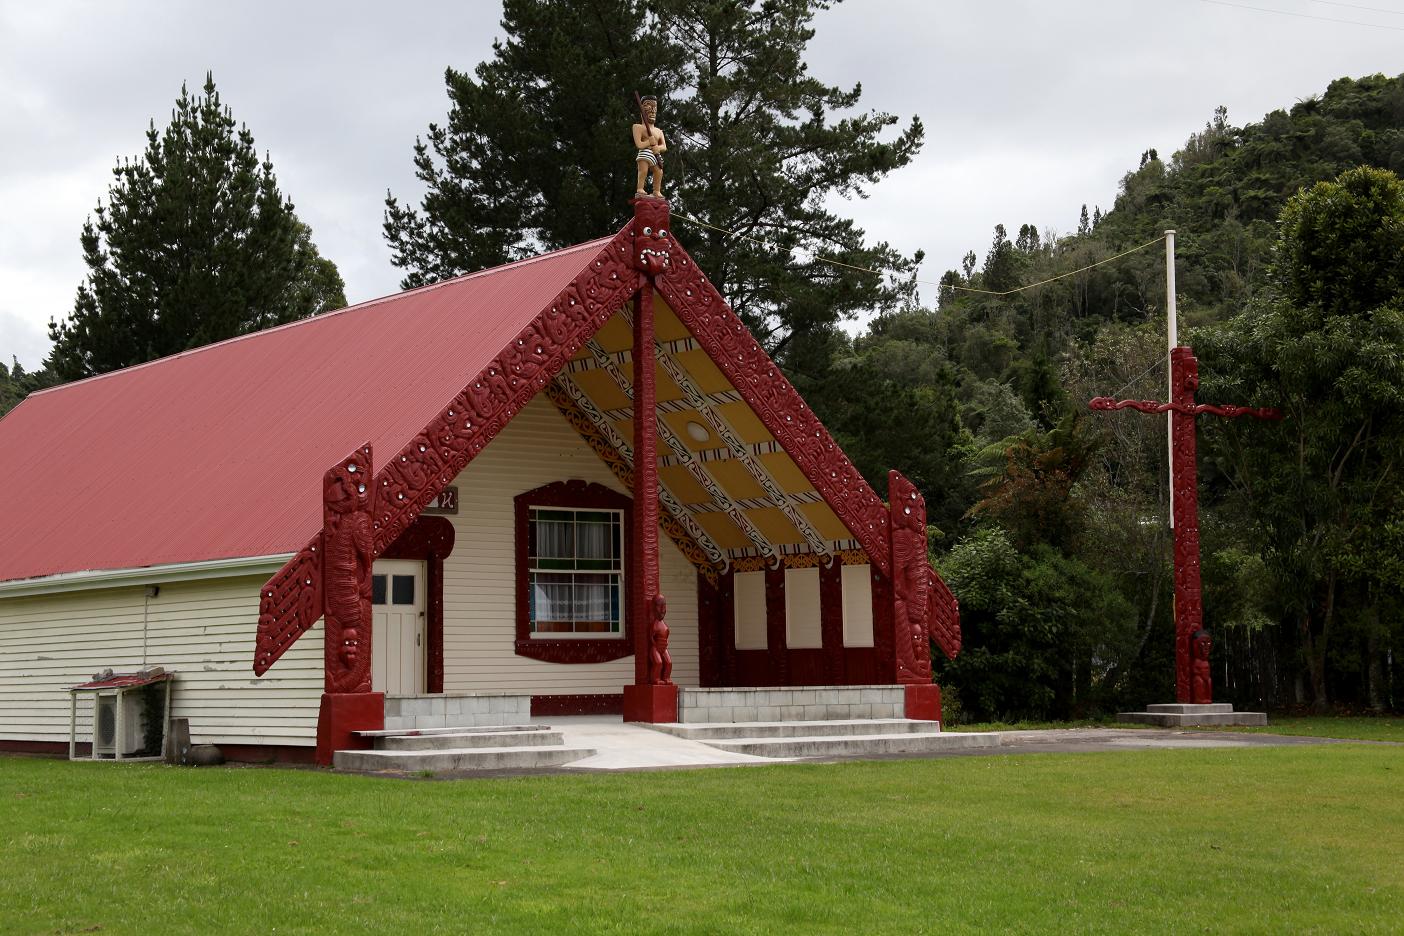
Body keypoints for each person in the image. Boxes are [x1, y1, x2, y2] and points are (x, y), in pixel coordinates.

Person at [633, 96, 667, 198]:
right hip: (645, 154)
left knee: (659, 171)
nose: (652, 109)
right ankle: (640, 188)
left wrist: (658, 148)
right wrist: (648, 142)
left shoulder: (659, 131)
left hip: (655, 154)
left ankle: (656, 191)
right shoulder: (638, 127)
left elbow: (664, 146)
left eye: (654, 107)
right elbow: (639, 144)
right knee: (643, 170)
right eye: (648, 106)